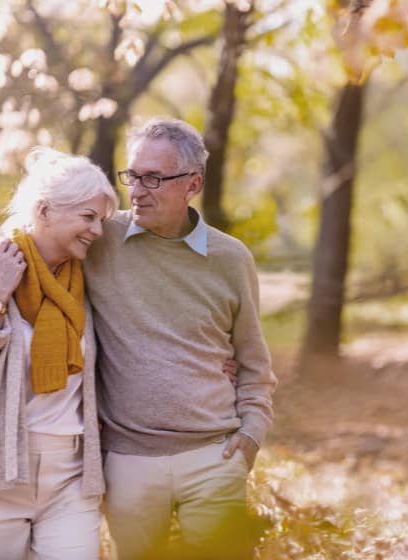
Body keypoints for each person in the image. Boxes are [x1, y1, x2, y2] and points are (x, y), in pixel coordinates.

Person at [80, 118, 276, 559]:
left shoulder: (230, 258)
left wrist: (252, 434)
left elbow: (253, 361)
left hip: (215, 456)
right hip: (129, 460)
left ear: (193, 184)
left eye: (153, 178)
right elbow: (41, 233)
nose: (138, 190)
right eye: (132, 176)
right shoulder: (100, 238)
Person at [0, 148, 117, 559]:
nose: (98, 231)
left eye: (101, 220)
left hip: (72, 476)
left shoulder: (89, 281)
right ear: (45, 210)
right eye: (88, 217)